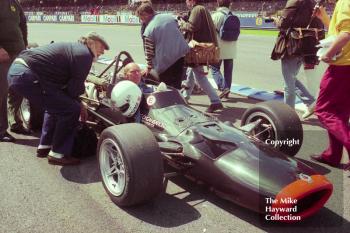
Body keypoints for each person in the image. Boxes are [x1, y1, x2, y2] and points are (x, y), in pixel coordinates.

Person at [7, 32, 109, 166]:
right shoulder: (84, 54)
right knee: (70, 109)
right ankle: (58, 154)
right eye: (102, 46)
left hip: (17, 72)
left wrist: (76, 99)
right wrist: (80, 104)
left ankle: (45, 146)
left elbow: (67, 88)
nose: (103, 50)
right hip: (27, 75)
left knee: (55, 105)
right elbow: (74, 89)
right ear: (90, 42)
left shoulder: (74, 49)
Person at [310, 0, 350, 169]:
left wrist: (328, 53)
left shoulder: (344, 2)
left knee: (323, 110)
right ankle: (333, 155)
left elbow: (346, 33)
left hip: (342, 67)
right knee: (339, 113)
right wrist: (325, 18)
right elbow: (339, 31)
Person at [270, 0, 325, 119]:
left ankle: (289, 115)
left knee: (288, 83)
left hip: (292, 45)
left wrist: (276, 20)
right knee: (291, 78)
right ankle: (310, 102)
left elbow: (283, 23)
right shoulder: (311, 3)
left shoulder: (294, 1)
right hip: (306, 45)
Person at [179, 0, 224, 113]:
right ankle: (185, 97)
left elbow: (192, 26)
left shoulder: (197, 9)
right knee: (191, 72)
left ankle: (215, 101)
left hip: (199, 48)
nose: (186, 2)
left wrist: (181, 23)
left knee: (199, 76)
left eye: (188, 0)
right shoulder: (202, 8)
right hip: (204, 47)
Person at [136, 3, 189, 89]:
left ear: (145, 15)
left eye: (141, 18)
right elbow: (180, 32)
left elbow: (149, 52)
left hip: (165, 63)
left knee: (166, 87)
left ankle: (170, 101)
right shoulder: (170, 17)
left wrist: (149, 68)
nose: (142, 21)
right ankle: (178, 100)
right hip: (180, 56)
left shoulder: (149, 30)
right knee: (177, 85)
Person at [0, 0, 28, 142]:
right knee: (2, 91)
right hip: (2, 54)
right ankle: (0, 130)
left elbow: (23, 24)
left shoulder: (14, 3)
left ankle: (14, 122)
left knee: (17, 88)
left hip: (18, 52)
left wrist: (25, 44)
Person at [210, 0, 238, 99]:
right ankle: (227, 92)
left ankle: (223, 87)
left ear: (218, 4)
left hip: (219, 48)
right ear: (229, 4)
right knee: (228, 72)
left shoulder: (215, 16)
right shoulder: (233, 16)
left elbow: (211, 33)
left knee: (214, 68)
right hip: (231, 49)